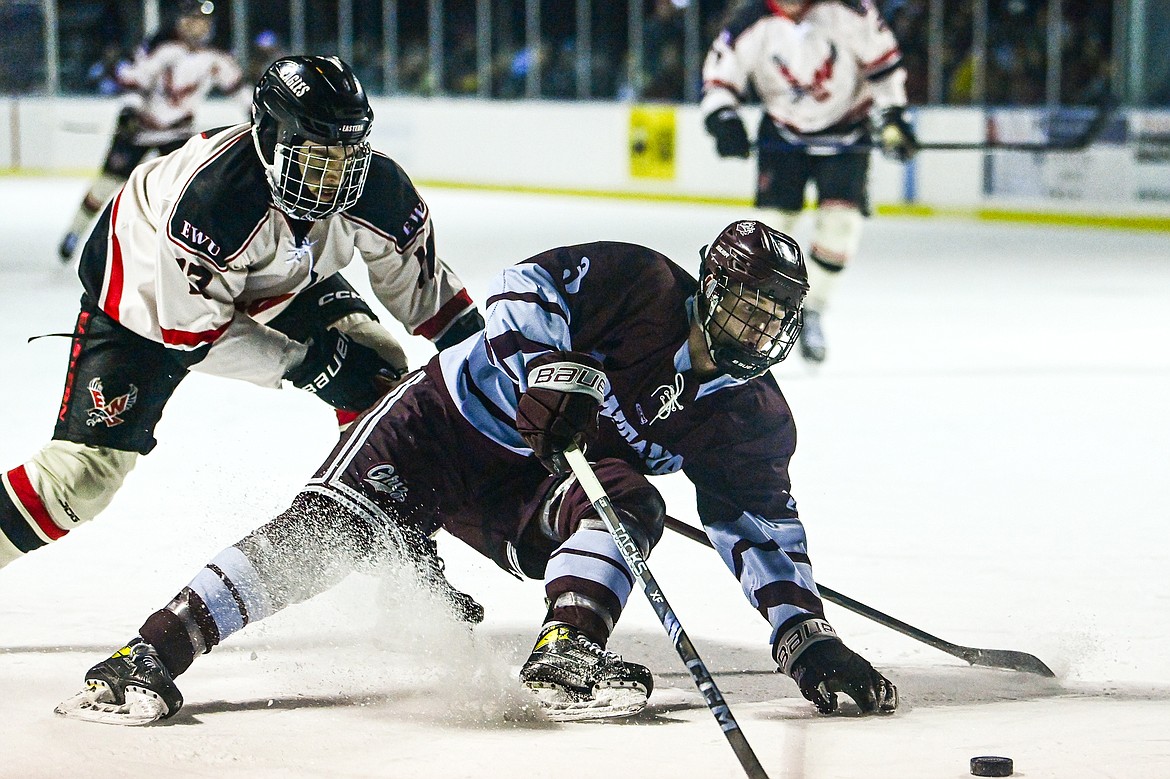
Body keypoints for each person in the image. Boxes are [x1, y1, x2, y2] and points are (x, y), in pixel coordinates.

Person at [55, 220, 897, 726]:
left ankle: (567, 653)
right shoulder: (639, 280)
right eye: (745, 302)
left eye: (772, 315)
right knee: (325, 534)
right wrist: (547, 370)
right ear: (709, 285)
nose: (755, 326)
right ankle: (146, 654)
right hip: (443, 426)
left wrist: (806, 640)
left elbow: (759, 531)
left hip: (531, 488)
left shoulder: (752, 416)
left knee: (627, 501)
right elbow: (526, 286)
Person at [1, 55, 484, 572]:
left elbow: (433, 300)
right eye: (319, 157)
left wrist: (495, 359)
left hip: (277, 280)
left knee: (380, 376)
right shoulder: (211, 204)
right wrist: (312, 364)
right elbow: (192, 335)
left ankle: (390, 528)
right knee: (82, 479)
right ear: (272, 138)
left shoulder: (379, 189)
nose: (337, 178)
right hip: (144, 302)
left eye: (348, 154)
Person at [700, 0, 918, 362]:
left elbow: (884, 68)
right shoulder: (749, 23)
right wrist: (723, 119)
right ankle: (759, 315)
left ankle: (813, 309)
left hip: (848, 131)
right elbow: (720, 80)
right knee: (771, 231)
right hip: (782, 133)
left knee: (841, 227)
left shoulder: (850, 11)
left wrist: (893, 115)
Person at [58, 0, 246, 262]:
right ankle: (74, 233)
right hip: (138, 131)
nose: (196, 27)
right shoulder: (160, 47)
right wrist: (129, 114)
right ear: (180, 21)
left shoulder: (217, 56)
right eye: (190, 20)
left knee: (187, 191)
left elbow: (239, 91)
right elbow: (134, 82)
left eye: (201, 21)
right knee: (106, 185)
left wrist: (258, 116)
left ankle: (184, 249)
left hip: (178, 135)